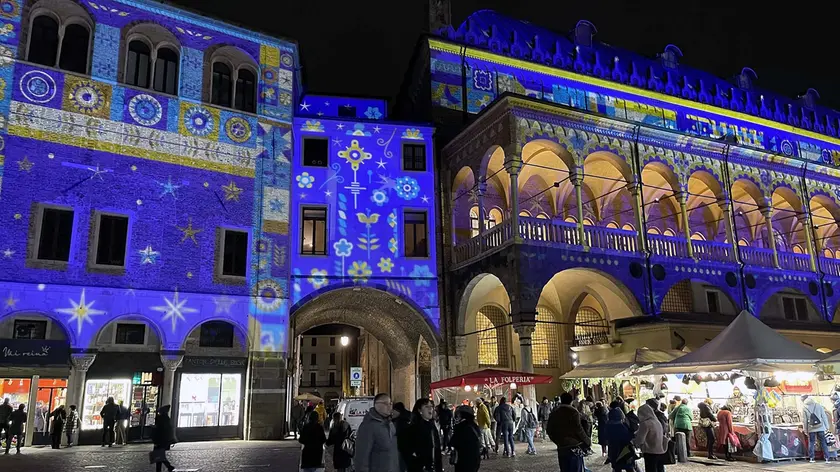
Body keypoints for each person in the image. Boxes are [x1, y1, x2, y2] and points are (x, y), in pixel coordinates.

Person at [355, 393, 399, 472]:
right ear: (376, 405)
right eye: (385, 403)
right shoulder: (368, 426)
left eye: (391, 403)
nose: (389, 406)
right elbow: (362, 456)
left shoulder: (390, 424)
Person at [547, 392, 591, 472]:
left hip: (561, 446)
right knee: (576, 468)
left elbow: (549, 430)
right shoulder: (573, 412)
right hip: (574, 446)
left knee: (564, 468)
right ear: (571, 401)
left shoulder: (554, 413)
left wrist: (557, 441)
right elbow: (578, 429)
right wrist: (587, 441)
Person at [399, 398, 443, 472]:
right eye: (426, 406)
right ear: (419, 410)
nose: (430, 409)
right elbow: (405, 448)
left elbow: (436, 448)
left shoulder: (432, 426)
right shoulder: (412, 428)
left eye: (431, 406)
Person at [634, 403, 667, 472]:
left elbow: (640, 439)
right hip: (660, 450)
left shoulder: (645, 423)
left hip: (650, 452)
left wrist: (634, 442)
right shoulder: (657, 422)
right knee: (660, 469)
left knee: (651, 469)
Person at [450, 405, 482, 472]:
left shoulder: (461, 427)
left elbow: (453, 442)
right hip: (475, 459)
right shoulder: (474, 426)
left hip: (463, 460)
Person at [604, 407, 635, 472]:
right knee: (629, 468)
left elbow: (606, 437)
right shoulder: (622, 426)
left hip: (614, 450)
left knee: (617, 468)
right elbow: (628, 437)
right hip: (625, 450)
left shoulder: (608, 426)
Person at [803, 394, 831, 463]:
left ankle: (812, 458)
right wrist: (827, 426)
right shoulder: (818, 406)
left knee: (811, 442)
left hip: (811, 428)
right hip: (821, 427)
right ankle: (827, 458)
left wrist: (805, 429)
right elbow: (824, 416)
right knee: (823, 442)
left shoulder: (804, 407)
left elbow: (805, 420)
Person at [151, 405, 176, 472]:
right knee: (160, 455)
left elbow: (159, 430)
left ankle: (166, 467)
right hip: (164, 440)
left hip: (160, 440)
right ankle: (168, 467)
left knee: (159, 455)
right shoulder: (166, 418)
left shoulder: (160, 418)